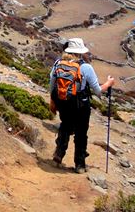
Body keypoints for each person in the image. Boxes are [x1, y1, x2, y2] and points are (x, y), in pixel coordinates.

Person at [49, 37, 114, 173]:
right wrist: (108, 83)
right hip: (81, 105)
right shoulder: (86, 67)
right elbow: (98, 91)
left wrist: (53, 101)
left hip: (63, 102)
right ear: (80, 52)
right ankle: (80, 164)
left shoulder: (58, 63)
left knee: (65, 126)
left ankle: (59, 154)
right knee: (81, 132)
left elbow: (52, 84)